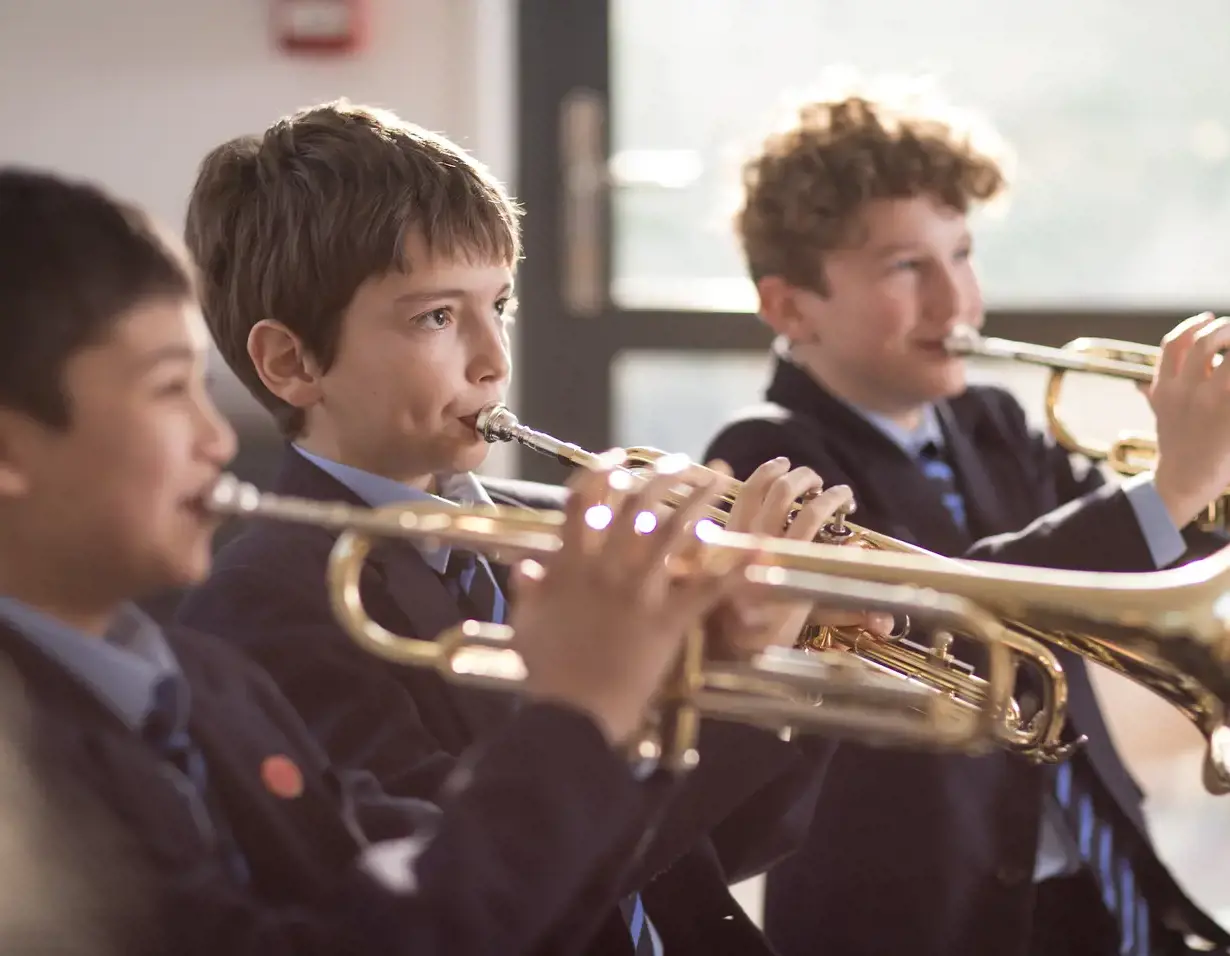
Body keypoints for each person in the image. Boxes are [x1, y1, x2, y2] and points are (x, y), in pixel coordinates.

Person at [174, 100, 890, 956]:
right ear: (293, 363)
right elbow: (493, 894)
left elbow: (705, 853)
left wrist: (783, 669)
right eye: (437, 317)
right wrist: (726, 693)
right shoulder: (265, 606)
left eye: (499, 305)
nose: (494, 358)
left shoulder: (561, 535)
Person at [0, 165, 774, 956]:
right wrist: (583, 712)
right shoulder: (30, 764)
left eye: (499, 306)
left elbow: (460, 872)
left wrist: (708, 677)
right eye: (169, 390)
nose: (218, 440)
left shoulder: (204, 683)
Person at [703, 89, 1230, 956]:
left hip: (1094, 882)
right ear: (792, 308)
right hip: (913, 911)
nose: (955, 300)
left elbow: (1127, 564)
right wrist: (1172, 484)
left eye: (963, 253)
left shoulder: (989, 421)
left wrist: (1201, 480)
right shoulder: (767, 457)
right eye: (906, 267)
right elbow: (946, 601)